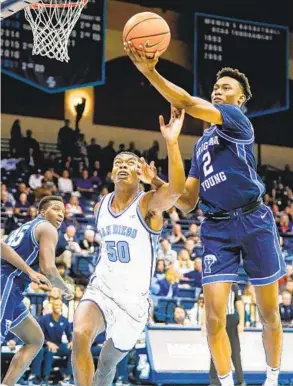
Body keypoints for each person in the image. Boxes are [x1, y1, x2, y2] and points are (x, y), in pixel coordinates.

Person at [125, 45, 286, 386]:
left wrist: (150, 72)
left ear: (240, 99)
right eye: (217, 87)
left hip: (254, 220)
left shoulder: (237, 121)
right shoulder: (200, 146)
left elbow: (186, 102)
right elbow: (186, 202)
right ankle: (227, 384)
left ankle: (273, 380)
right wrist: (162, 165)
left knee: (270, 314)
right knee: (213, 317)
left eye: (227, 87)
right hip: (217, 227)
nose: (218, 90)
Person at [71, 106, 186, 386]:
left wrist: (171, 142)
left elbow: (176, 191)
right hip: (102, 289)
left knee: (107, 364)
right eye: (118, 163)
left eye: (130, 163)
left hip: (133, 303)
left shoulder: (147, 203)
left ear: (141, 172)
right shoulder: (100, 206)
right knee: (79, 335)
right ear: (111, 173)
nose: (123, 165)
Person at [1, 196, 74, 386]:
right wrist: (65, 289)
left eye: (63, 212)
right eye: (56, 209)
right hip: (6, 283)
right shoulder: (48, 228)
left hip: (13, 289)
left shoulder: (24, 228)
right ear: (42, 212)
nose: (60, 214)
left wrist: (29, 272)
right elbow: (48, 268)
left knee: (35, 339)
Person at [202, 284, 246, 386]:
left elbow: (239, 304)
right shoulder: (212, 286)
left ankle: (240, 380)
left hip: (230, 319)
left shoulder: (234, 287)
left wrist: (241, 322)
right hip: (216, 319)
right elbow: (207, 305)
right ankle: (214, 382)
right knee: (215, 350)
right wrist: (203, 323)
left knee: (235, 350)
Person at [30, 298, 73, 386]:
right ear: (52, 306)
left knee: (73, 350)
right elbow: (39, 336)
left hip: (58, 345)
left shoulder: (64, 320)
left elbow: (69, 334)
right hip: (46, 345)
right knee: (49, 351)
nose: (59, 307)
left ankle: (68, 376)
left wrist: (71, 341)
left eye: (60, 305)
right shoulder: (44, 319)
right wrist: (48, 343)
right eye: (56, 305)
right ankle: (45, 378)